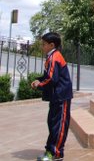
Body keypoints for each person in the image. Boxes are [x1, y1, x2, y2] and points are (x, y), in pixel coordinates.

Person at [31, 32, 73, 161]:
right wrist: (38, 80)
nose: (42, 47)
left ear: (51, 45)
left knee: (59, 125)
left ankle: (57, 153)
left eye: (43, 44)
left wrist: (39, 84)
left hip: (61, 96)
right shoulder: (51, 57)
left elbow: (51, 79)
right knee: (53, 123)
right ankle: (50, 150)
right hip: (56, 97)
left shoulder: (55, 57)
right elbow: (48, 76)